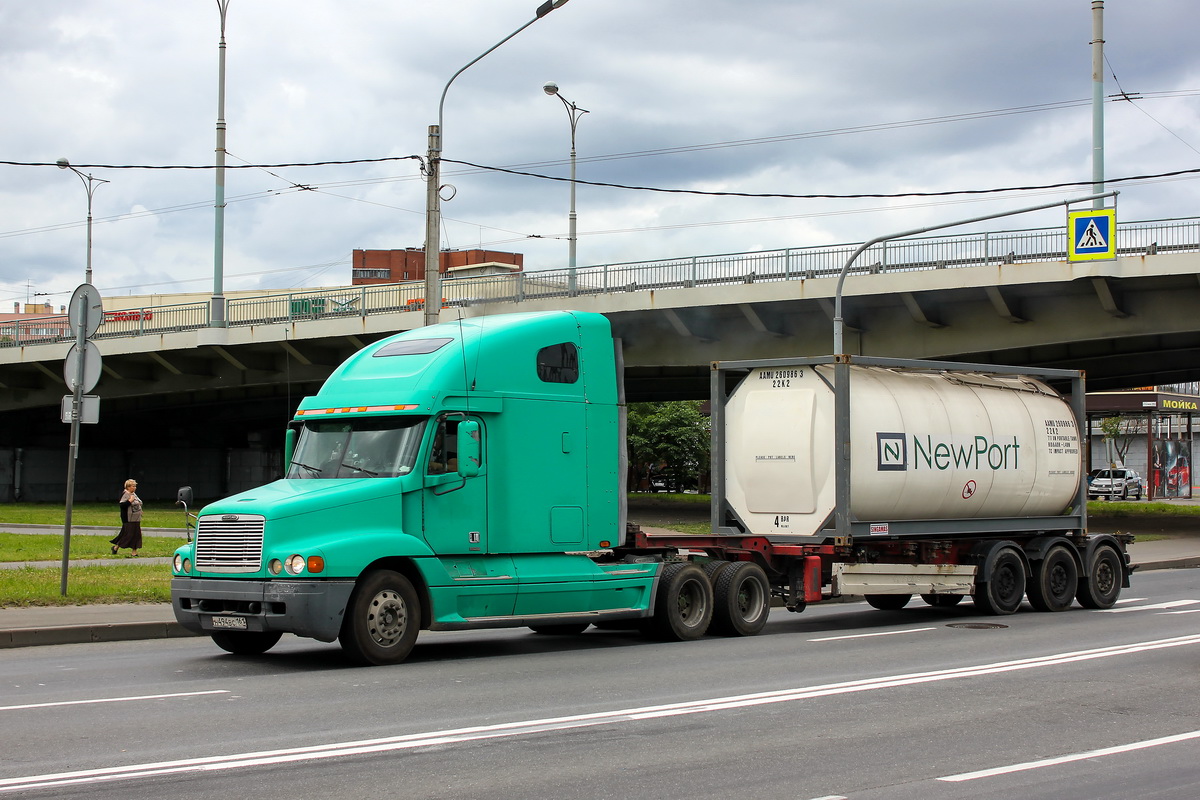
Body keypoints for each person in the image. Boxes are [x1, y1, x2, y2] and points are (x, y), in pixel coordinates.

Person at [110, 478, 143, 557]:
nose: (135, 488)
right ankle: (115, 547)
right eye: (133, 486)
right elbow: (122, 505)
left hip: (136, 518)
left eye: (135, 486)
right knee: (128, 534)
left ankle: (134, 552)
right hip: (128, 519)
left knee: (136, 534)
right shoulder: (126, 494)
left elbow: (138, 503)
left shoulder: (134, 494)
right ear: (128, 487)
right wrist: (129, 501)